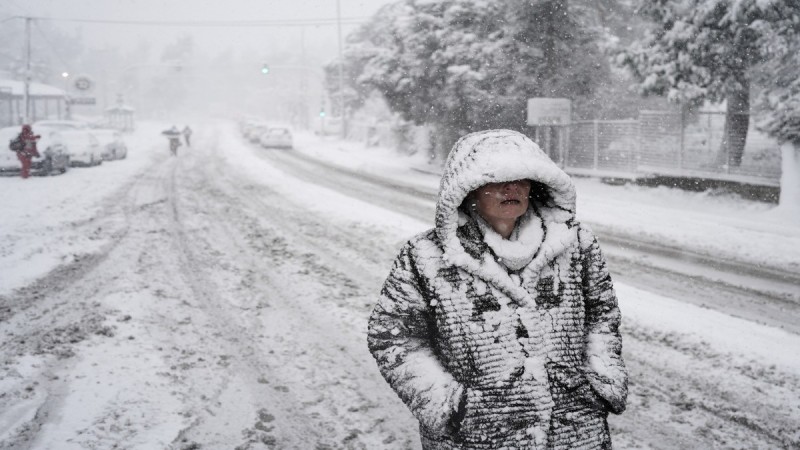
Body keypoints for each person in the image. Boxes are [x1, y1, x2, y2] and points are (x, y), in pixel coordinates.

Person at [367, 129, 628, 449]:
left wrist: (601, 382)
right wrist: (450, 406)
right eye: (498, 179)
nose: (512, 187)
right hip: (475, 438)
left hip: (574, 434)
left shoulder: (576, 244)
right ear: (469, 188)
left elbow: (602, 316)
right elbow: (393, 337)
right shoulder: (426, 256)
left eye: (522, 178)